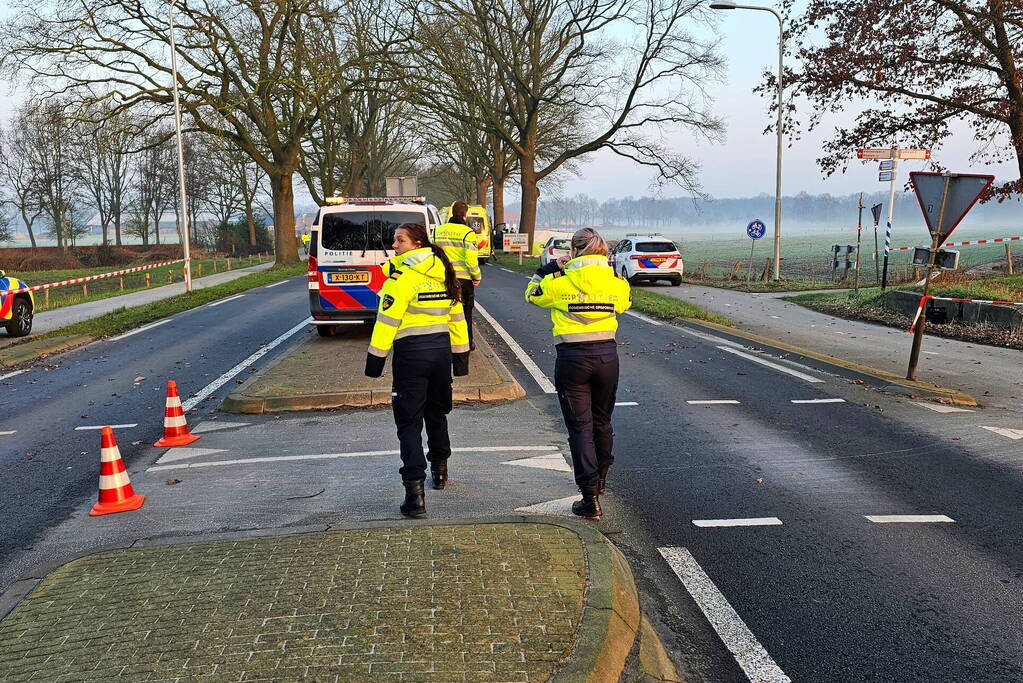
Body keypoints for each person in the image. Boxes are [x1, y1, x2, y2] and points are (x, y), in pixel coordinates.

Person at [524, 228, 631, 520]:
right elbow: (624, 303)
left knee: (580, 428)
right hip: (607, 357)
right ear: (603, 253)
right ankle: (602, 478)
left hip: (572, 359)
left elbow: (532, 295)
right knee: (602, 422)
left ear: (573, 252)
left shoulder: (560, 283)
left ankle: (589, 497)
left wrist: (545, 270)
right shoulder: (616, 282)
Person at [365, 222, 470, 518]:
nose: (394, 245)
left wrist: (375, 363)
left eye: (400, 240)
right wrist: (460, 360)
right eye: (394, 240)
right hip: (440, 354)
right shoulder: (445, 275)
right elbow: (457, 320)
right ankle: (440, 470)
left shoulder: (400, 280)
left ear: (417, 244)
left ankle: (415, 495)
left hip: (410, 357)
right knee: (437, 413)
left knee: (409, 423)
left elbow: (386, 323)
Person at [432, 201, 481, 350]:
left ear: (452, 213)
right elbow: (471, 260)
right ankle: (466, 343)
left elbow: (432, 254)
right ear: (465, 215)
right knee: (465, 313)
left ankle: (443, 342)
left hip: (442, 278)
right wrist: (476, 277)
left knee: (442, 312)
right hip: (463, 280)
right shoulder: (468, 233)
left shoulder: (437, 231)